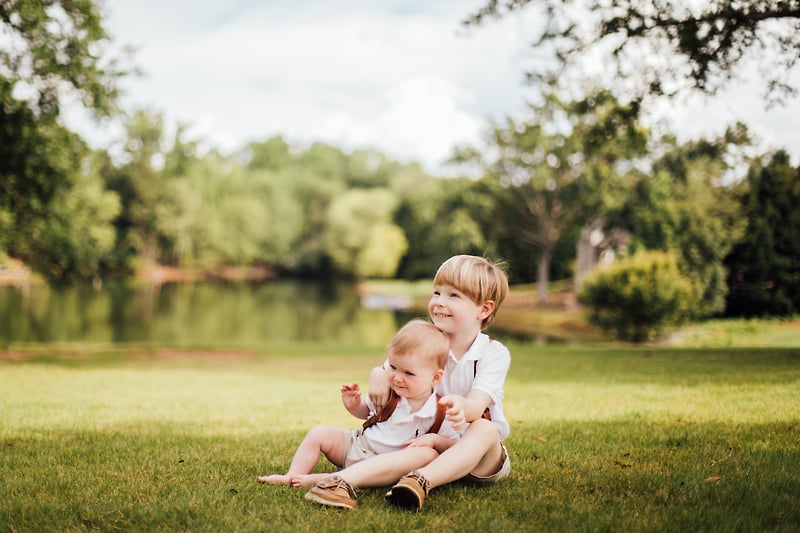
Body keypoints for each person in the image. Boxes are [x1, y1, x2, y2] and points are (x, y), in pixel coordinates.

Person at [302, 254, 511, 511]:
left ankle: (421, 482)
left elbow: (477, 406)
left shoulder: (492, 353)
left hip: (477, 456)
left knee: (485, 429)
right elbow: (393, 369)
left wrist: (461, 407)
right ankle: (338, 482)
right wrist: (377, 374)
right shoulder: (426, 341)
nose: (439, 302)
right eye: (437, 293)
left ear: (484, 309)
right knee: (418, 452)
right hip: (426, 449)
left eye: (453, 296)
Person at [257, 319, 461, 505]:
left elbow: (456, 447)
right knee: (320, 433)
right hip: (357, 444)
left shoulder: (439, 411)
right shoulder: (390, 393)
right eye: (393, 367)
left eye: (408, 373)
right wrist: (353, 404)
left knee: (427, 455)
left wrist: (436, 440)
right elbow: (367, 412)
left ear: (435, 377)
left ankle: (326, 479)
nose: (397, 378)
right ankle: (292, 474)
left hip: (382, 466)